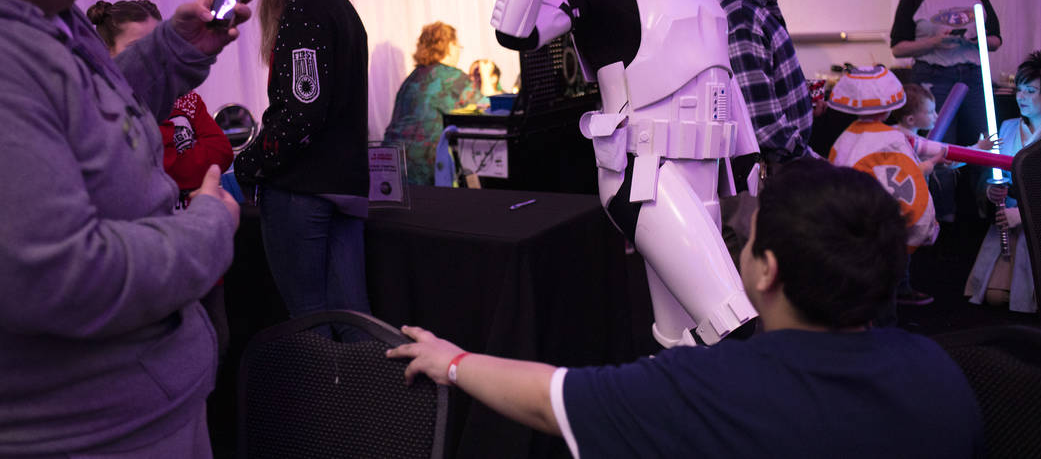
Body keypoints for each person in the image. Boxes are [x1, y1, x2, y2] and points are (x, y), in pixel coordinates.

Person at [386, 159, 984, 459]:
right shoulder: (941, 373)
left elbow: (551, 399)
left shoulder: (710, 386)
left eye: (747, 239)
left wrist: (453, 360)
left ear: (767, 270)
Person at [0, 0, 248, 457]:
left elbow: (93, 115)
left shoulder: (48, 20)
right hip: (97, 434)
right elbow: (61, 275)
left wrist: (174, 49)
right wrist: (208, 225)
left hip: (138, 412)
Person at [489, 0, 762, 347]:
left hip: (702, 176)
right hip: (644, 176)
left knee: (682, 332)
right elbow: (514, 28)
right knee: (731, 322)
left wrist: (746, 154)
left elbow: (721, 77)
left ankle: (676, 419)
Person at [233, 0, 371, 335]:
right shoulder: (342, 8)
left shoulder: (303, 10)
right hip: (345, 185)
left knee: (309, 321)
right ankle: (370, 400)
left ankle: (324, 404)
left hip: (301, 190)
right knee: (353, 321)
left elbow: (300, 113)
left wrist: (248, 165)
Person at [88, 0, 235, 354]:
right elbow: (155, 166)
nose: (157, 62)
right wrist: (185, 167)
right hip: (158, 256)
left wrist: (178, 164)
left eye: (160, 44)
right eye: (141, 50)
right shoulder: (109, 113)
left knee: (217, 342)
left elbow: (221, 150)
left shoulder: (188, 101)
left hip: (203, 256)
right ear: (109, 54)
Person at [891, 0, 1001, 222]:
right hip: (932, 77)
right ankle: (941, 218)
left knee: (985, 143)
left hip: (973, 76)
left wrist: (976, 38)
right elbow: (897, 47)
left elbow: (996, 40)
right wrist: (932, 42)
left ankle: (988, 211)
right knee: (938, 146)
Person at [827, 67, 940, 312]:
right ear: (890, 107)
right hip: (887, 231)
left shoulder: (844, 139)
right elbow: (911, 186)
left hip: (852, 228)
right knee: (884, 299)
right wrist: (925, 224)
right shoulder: (893, 139)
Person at [716, 0, 815, 165]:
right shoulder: (740, 14)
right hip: (776, 167)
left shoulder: (754, 5)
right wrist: (806, 159)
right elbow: (762, 122)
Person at [965, 50, 1041, 312]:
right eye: (1020, 90)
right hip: (1007, 225)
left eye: (1031, 91)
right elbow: (990, 174)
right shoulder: (1008, 127)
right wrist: (990, 190)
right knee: (995, 296)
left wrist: (1024, 214)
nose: (1021, 97)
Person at [383, 21, 483, 185]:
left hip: (390, 164)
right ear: (449, 46)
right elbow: (486, 110)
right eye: (458, 45)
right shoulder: (453, 78)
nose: (459, 50)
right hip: (424, 168)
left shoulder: (411, 79)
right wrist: (485, 79)